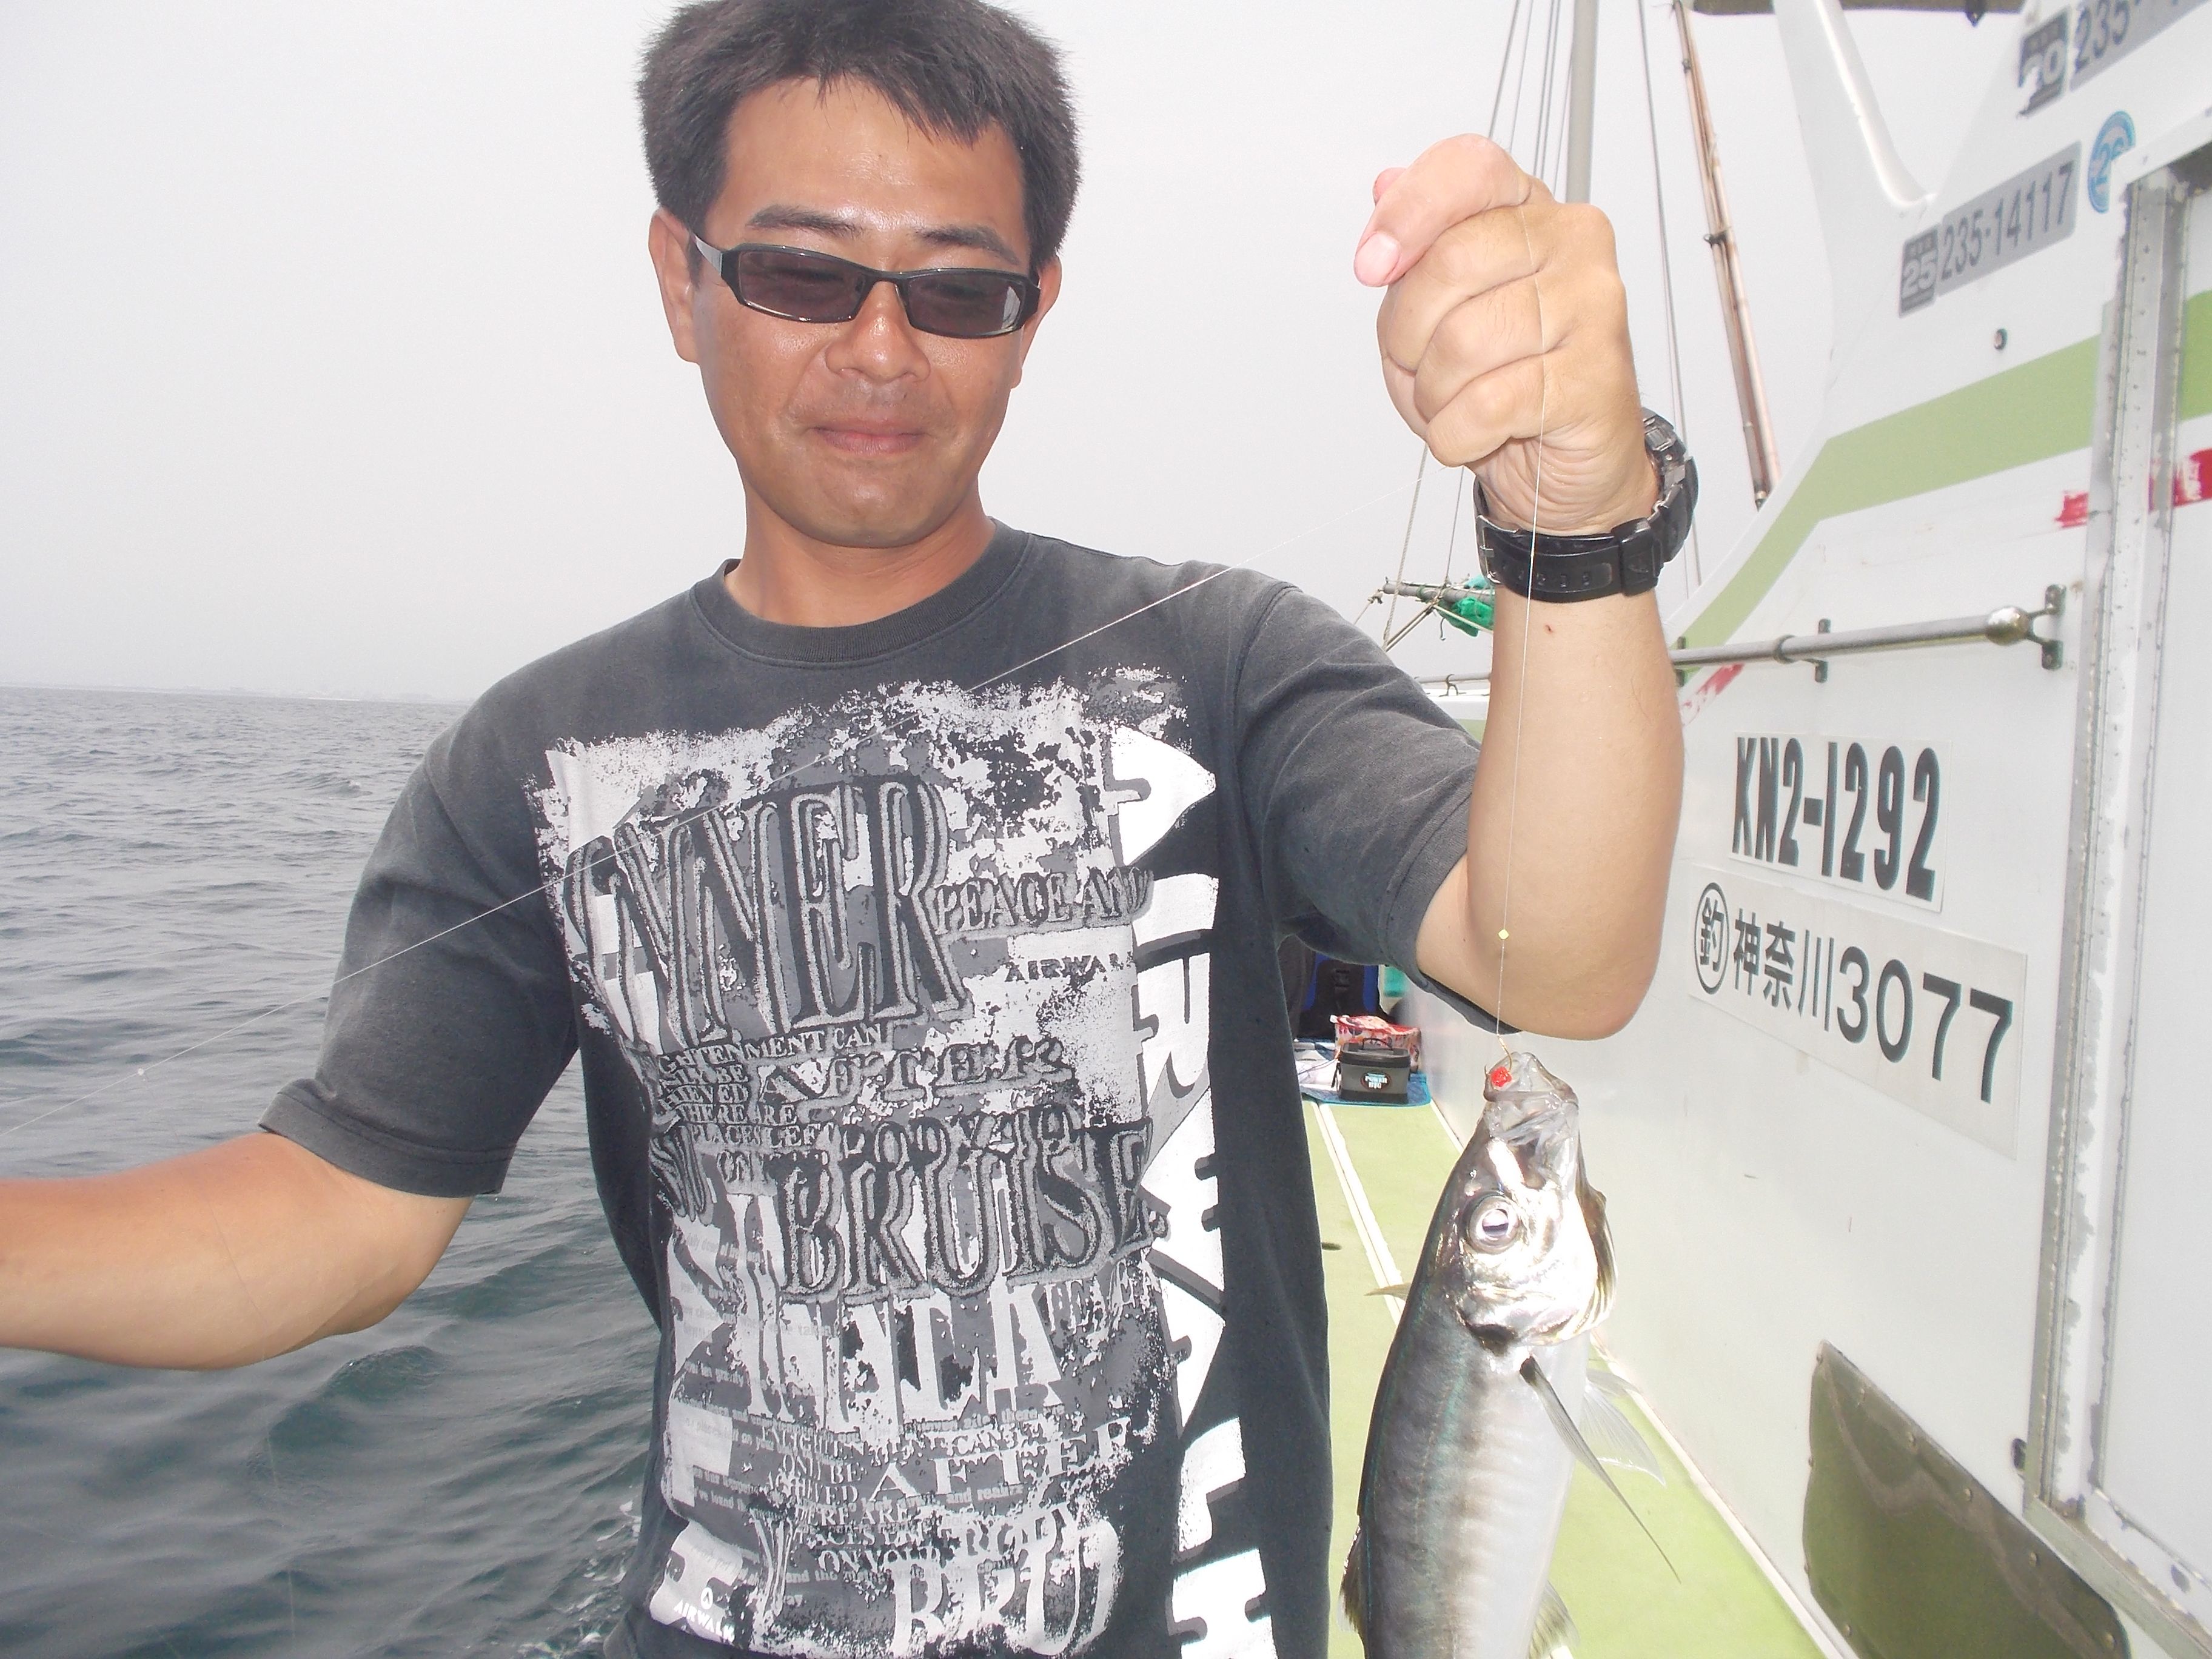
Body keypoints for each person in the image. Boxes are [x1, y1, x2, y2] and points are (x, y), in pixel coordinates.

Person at [0, 1, 1686, 1654]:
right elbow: (334, 1217)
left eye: (956, 290)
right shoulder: (533, 760)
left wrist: (1576, 515)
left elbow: (1560, 953)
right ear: (680, 280)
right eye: (802, 276)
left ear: (1032, 314)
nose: (881, 350)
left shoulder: (1220, 663)